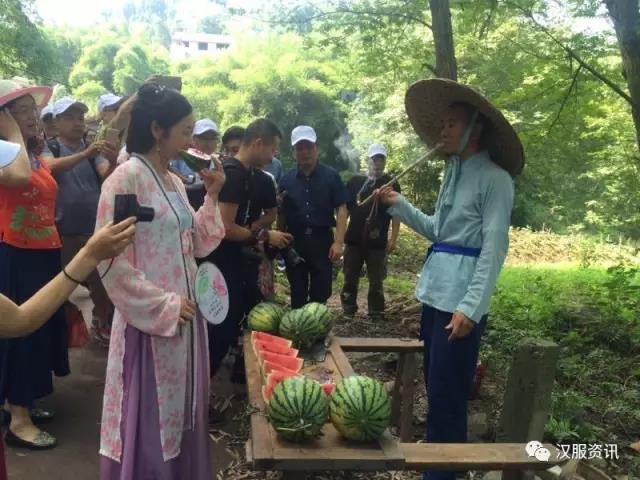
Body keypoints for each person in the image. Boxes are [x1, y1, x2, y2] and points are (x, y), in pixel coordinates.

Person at [375, 79, 523, 480]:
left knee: (449, 396)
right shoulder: (453, 174)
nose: (442, 131)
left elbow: (494, 250)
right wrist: (397, 205)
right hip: (436, 293)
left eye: (451, 123)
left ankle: (444, 474)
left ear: (476, 128)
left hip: (460, 304)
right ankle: (439, 468)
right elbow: (439, 231)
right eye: (442, 124)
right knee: (435, 389)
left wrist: (471, 308)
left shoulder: (495, 180)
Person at [95, 83, 226, 479]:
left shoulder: (171, 181)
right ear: (157, 130)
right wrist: (164, 305)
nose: (191, 140)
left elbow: (197, 244)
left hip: (186, 323)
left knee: (181, 411)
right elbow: (110, 262)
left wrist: (212, 196)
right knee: (152, 417)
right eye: (185, 131)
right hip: (149, 325)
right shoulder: (125, 180)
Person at [0, 78, 68, 450]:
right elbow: (20, 178)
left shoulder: (31, 151)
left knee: (40, 330)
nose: (31, 116)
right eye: (19, 110)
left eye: (31, 109)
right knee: (21, 334)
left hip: (41, 253)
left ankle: (21, 401)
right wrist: (10, 132)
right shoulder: (6, 152)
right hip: (16, 253)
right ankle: (19, 420)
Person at [208, 119, 292, 383]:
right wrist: (264, 234)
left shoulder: (248, 174)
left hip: (234, 263)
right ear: (258, 143)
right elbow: (225, 228)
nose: (272, 156)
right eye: (271, 150)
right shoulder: (233, 174)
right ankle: (198, 397)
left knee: (234, 323)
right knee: (218, 331)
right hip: (219, 264)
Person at [279, 125, 348, 308]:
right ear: (294, 152)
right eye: (300, 148)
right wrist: (279, 241)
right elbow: (282, 212)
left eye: (309, 147)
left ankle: (317, 334)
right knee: (298, 292)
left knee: (321, 291)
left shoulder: (331, 177)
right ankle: (298, 333)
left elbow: (342, 208)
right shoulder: (286, 180)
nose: (305, 152)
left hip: (322, 241)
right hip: (295, 241)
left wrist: (339, 242)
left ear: (316, 149)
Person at [341, 143, 400, 321]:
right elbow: (345, 210)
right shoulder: (355, 182)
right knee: (350, 276)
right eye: (374, 158)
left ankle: (376, 312)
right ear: (368, 160)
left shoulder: (391, 183)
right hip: (354, 239)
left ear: (385, 161)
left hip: (377, 240)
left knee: (376, 280)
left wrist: (393, 238)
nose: (377, 162)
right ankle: (348, 310)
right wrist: (340, 237)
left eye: (381, 158)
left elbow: (396, 213)